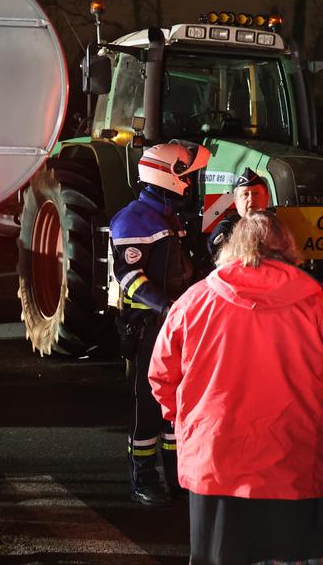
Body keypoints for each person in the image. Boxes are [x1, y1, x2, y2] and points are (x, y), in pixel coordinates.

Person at [149, 211, 323, 565]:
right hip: (298, 463)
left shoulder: (193, 302)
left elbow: (161, 376)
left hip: (216, 461)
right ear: (288, 249)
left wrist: (186, 423)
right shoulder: (318, 306)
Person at [109, 139, 210, 506]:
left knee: (178, 402)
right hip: (148, 327)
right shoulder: (133, 219)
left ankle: (177, 474)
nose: (191, 182)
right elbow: (129, 277)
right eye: (188, 175)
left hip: (176, 323)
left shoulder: (169, 218)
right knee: (148, 404)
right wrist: (166, 308)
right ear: (168, 176)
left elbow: (181, 270)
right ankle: (143, 477)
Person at [206, 167, 270, 259]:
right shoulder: (226, 229)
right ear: (236, 202)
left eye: (256, 193)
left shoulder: (278, 226)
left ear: (267, 198)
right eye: (245, 194)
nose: (251, 199)